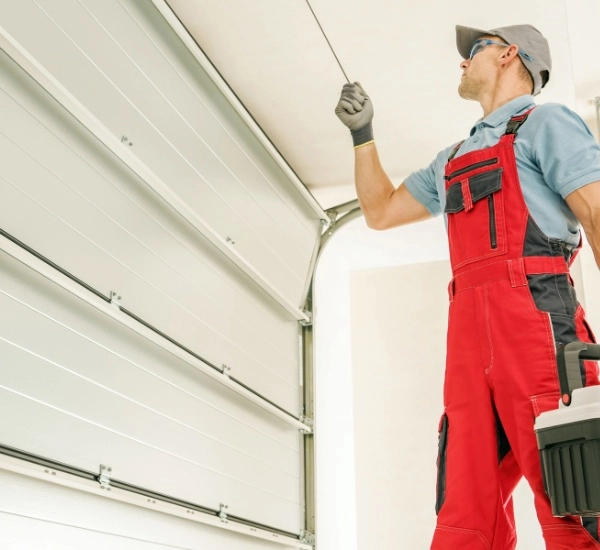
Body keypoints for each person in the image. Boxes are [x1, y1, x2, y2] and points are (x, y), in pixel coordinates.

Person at [335, 24, 600, 550]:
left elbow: (594, 212)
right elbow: (381, 211)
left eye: (473, 50)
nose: (462, 61)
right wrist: (362, 136)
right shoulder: (453, 158)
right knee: (464, 509)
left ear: (509, 55)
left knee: (573, 495)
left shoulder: (547, 123)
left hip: (535, 317)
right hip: (467, 338)